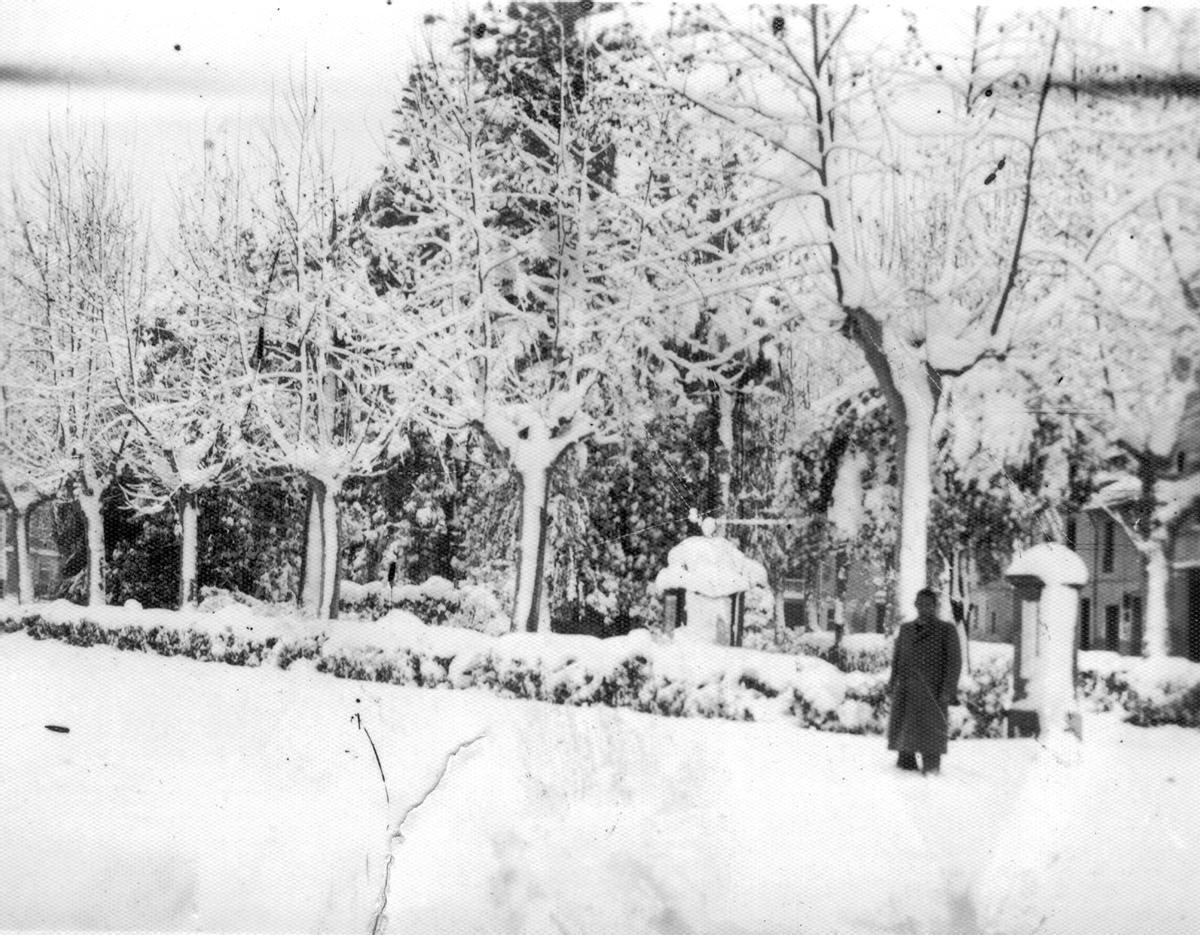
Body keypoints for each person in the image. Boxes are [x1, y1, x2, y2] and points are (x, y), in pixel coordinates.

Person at [887, 587, 962, 775]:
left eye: (928, 604)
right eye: (920, 604)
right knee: (905, 733)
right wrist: (892, 682)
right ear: (915, 605)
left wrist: (948, 690)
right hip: (906, 689)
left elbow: (954, 663)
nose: (923, 608)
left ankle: (931, 768)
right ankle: (906, 764)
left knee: (931, 734)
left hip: (933, 692)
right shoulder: (906, 629)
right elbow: (897, 658)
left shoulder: (946, 630)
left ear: (935, 606)